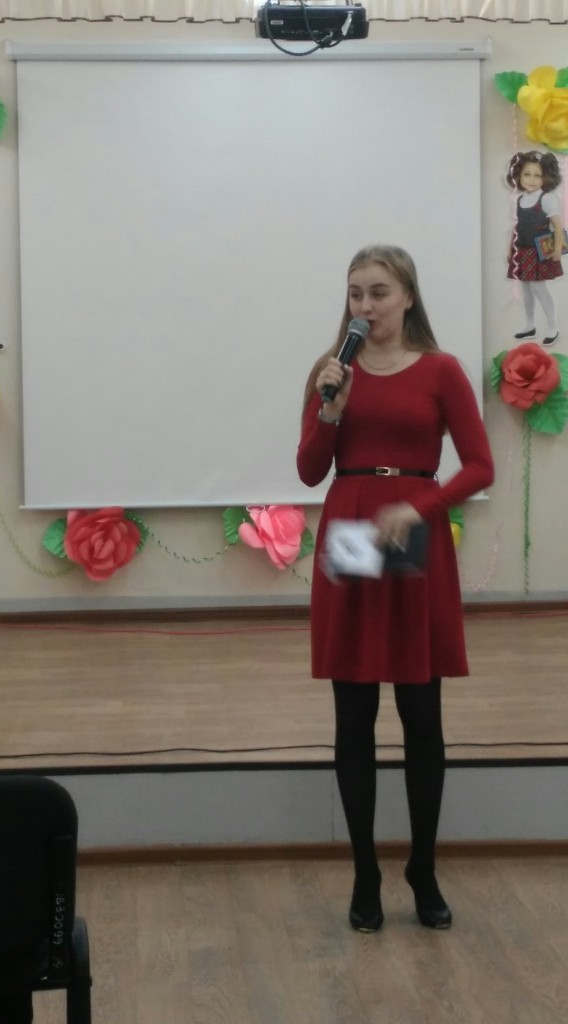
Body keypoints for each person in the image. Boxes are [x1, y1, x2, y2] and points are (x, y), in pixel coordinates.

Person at [297, 244, 494, 933]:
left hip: (413, 529)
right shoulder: (332, 371)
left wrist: (420, 507)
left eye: (377, 292)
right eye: (355, 294)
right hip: (351, 524)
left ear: (408, 296)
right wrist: (330, 408)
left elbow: (479, 466)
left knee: (421, 713)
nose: (365, 306)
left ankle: (423, 869)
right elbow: (309, 471)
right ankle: (364, 873)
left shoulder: (441, 370)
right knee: (353, 715)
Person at [506, 150, 564, 347]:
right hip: (522, 250)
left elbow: (557, 226)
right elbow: (516, 226)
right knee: (526, 288)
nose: (532, 180)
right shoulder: (519, 200)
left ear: (546, 177)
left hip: (540, 251)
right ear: (518, 176)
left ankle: (553, 327)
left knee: (539, 287)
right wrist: (510, 249)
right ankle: (530, 324)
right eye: (527, 174)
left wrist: (557, 249)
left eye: (538, 175)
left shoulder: (546, 199)